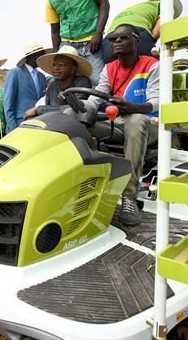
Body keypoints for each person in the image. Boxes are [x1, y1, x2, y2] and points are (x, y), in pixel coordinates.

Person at [66, 24, 159, 227]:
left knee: (135, 120)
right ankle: (74, 183)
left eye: (122, 37)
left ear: (136, 40)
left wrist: (133, 107)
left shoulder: (152, 64)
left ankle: (129, 196)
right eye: (112, 39)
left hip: (149, 123)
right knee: (69, 114)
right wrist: (81, 105)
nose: (116, 41)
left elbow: (156, 101)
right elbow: (97, 97)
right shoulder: (109, 68)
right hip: (117, 123)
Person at [43, 0, 110, 85]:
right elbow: (55, 32)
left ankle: (95, 105)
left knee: (97, 80)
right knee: (62, 81)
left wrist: (98, 33)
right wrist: (57, 54)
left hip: (91, 42)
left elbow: (104, 4)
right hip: (67, 43)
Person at [24, 45, 92, 119]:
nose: (56, 68)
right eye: (54, 64)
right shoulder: (52, 86)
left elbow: (76, 109)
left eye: (61, 65)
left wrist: (38, 110)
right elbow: (48, 108)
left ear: (73, 69)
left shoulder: (82, 83)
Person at [106, 0, 183, 61]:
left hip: (108, 41)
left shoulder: (141, 7)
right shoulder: (167, 6)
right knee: (158, 67)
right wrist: (150, 43)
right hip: (135, 33)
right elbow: (156, 32)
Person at [3, 41, 51, 133]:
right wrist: (13, 127)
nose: (43, 58)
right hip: (19, 124)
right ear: (33, 56)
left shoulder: (42, 76)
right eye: (41, 55)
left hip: (38, 124)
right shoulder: (15, 73)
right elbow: (8, 104)